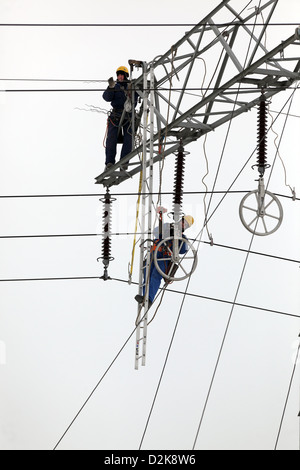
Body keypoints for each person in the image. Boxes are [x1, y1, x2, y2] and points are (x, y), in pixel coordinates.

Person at [135, 215, 194, 307]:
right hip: (154, 254)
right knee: (147, 275)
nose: (183, 225)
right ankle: (144, 297)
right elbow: (155, 231)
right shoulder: (167, 226)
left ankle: (149, 299)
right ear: (180, 220)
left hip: (164, 258)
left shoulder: (183, 238)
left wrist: (179, 238)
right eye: (183, 222)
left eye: (186, 225)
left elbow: (184, 250)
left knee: (155, 275)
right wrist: (167, 231)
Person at [103, 66, 138, 171]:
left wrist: (137, 86)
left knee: (129, 139)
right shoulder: (115, 86)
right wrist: (110, 87)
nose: (120, 77)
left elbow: (135, 100)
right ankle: (110, 163)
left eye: (122, 74)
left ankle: (124, 162)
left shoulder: (132, 87)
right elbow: (106, 97)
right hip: (116, 115)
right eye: (118, 75)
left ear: (126, 76)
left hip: (128, 116)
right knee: (111, 139)